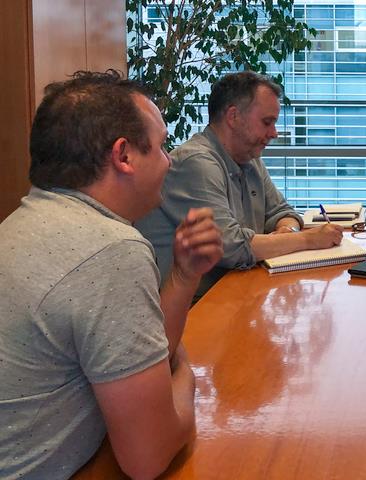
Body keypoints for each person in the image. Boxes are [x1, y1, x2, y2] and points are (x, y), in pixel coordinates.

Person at [0, 71, 223, 479]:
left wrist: (185, 273)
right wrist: (188, 378)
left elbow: (135, 360)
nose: (170, 161)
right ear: (123, 156)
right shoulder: (108, 248)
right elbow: (148, 458)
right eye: (159, 147)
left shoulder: (26, 222)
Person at [137, 71, 343, 297]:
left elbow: (282, 211)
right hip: (192, 310)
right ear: (233, 117)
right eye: (267, 122)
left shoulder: (250, 157)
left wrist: (287, 230)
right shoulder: (196, 162)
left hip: (235, 293)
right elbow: (230, 247)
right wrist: (306, 239)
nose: (274, 133)